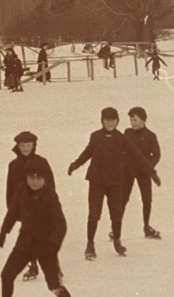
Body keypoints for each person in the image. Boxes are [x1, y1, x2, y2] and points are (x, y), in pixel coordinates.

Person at [0, 156, 90, 297]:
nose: (35, 182)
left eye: (39, 178)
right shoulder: (20, 190)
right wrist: (4, 232)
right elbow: (12, 212)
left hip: (45, 247)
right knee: (7, 275)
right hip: (25, 243)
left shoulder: (50, 196)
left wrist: (53, 246)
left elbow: (61, 225)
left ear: (45, 179)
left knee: (54, 286)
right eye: (31, 178)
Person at [67, 107, 159, 259]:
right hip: (96, 180)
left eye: (113, 120)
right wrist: (75, 164)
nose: (110, 123)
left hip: (115, 181)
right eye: (106, 120)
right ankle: (90, 244)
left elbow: (138, 156)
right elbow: (87, 153)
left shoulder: (122, 138)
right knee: (94, 213)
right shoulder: (96, 136)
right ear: (102, 121)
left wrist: (152, 172)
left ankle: (117, 240)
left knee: (116, 213)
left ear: (117, 121)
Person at [5, 131, 55, 282]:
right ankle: (33, 265)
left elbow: (50, 184)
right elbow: (10, 188)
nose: (25, 148)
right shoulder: (13, 165)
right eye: (22, 146)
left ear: (34, 146)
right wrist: (11, 207)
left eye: (28, 145)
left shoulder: (42, 162)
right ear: (18, 146)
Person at [124, 107, 163, 239]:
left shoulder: (150, 136)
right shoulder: (127, 133)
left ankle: (146, 226)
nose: (132, 123)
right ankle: (115, 227)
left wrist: (149, 169)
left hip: (144, 172)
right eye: (130, 120)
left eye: (135, 120)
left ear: (143, 120)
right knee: (123, 199)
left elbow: (156, 155)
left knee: (147, 200)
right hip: (128, 171)